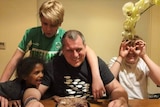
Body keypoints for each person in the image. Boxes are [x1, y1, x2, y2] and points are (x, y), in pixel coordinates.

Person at [0, 0, 105, 99]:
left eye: (53, 25)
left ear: (60, 23)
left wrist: (97, 77)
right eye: (45, 24)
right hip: (32, 80)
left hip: (49, 83)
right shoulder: (31, 34)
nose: (48, 29)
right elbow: (15, 60)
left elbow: (87, 50)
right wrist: (2, 90)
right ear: (41, 19)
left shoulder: (64, 37)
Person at [22, 30, 128, 107]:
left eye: (79, 49)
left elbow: (117, 88)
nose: (75, 55)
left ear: (85, 47)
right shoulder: (53, 65)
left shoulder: (97, 63)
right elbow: (34, 90)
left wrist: (121, 99)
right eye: (69, 50)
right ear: (62, 50)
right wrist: (31, 101)